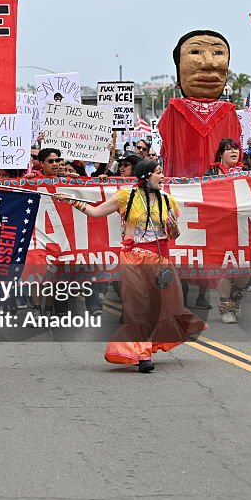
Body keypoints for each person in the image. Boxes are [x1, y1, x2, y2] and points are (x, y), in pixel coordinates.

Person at [55, 159, 207, 372]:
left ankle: (145, 346)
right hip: (133, 258)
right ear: (145, 175)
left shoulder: (168, 201)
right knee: (138, 307)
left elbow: (174, 234)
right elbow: (95, 212)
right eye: (158, 173)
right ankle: (142, 355)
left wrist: (173, 230)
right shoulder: (125, 197)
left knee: (160, 307)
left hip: (161, 261)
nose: (162, 177)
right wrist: (72, 201)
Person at [158, 30, 242, 179]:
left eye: (218, 52)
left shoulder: (228, 111)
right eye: (195, 51)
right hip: (184, 186)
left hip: (222, 186)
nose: (209, 63)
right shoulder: (175, 109)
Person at [204, 138, 250, 322]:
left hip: (244, 226)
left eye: (236, 149)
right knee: (224, 267)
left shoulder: (247, 173)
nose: (233, 152)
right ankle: (225, 308)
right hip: (220, 227)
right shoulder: (211, 173)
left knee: (246, 268)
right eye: (228, 149)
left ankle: (236, 299)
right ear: (220, 154)